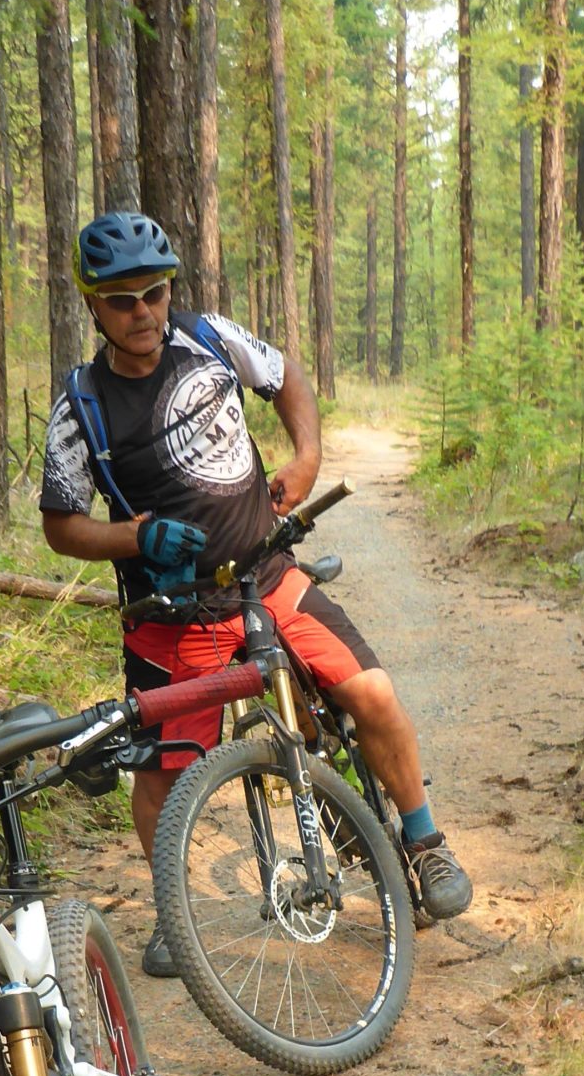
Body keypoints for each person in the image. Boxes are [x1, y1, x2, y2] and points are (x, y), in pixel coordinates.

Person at [38, 210, 473, 974]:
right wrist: (135, 538)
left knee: (370, 693)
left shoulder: (210, 339)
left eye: (155, 293)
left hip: (269, 577)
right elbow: (62, 526)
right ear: (92, 305)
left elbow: (285, 377)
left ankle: (425, 841)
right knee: (167, 770)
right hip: (172, 615)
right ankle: (174, 907)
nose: (143, 312)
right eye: (122, 300)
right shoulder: (81, 407)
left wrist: (305, 458)